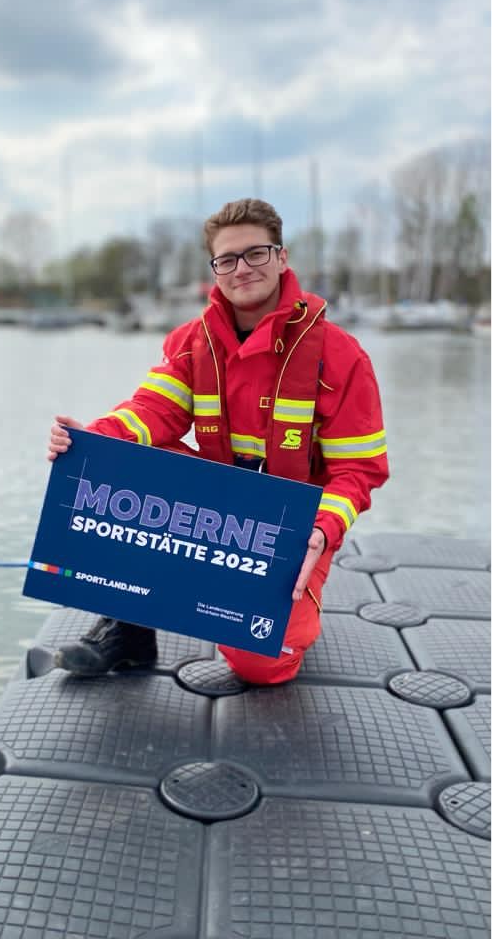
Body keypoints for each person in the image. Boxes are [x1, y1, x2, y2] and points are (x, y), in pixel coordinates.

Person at [46, 197, 389, 685]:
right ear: (215, 269)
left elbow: (358, 470)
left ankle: (293, 609)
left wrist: (323, 528)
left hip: (292, 531)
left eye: (256, 253)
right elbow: (152, 411)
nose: (242, 268)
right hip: (215, 515)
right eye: (227, 259)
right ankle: (128, 629)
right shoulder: (191, 341)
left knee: (261, 666)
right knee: (121, 458)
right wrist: (92, 441)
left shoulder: (341, 356)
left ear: (282, 258)